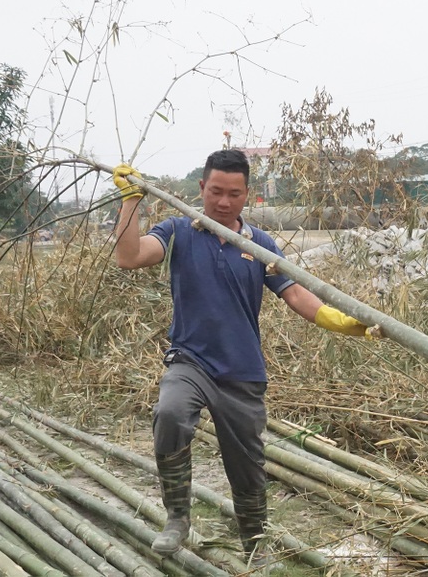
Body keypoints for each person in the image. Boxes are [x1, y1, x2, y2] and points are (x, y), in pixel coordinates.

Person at [111, 149, 370, 567]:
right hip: (190, 361)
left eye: (234, 194)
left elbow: (295, 293)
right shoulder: (178, 231)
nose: (224, 202)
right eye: (215, 192)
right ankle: (177, 516)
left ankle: (254, 545)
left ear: (247, 195)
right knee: (171, 413)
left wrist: (338, 320)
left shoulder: (259, 244)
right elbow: (129, 257)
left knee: (248, 469)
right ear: (201, 188)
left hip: (242, 371)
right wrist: (130, 199)